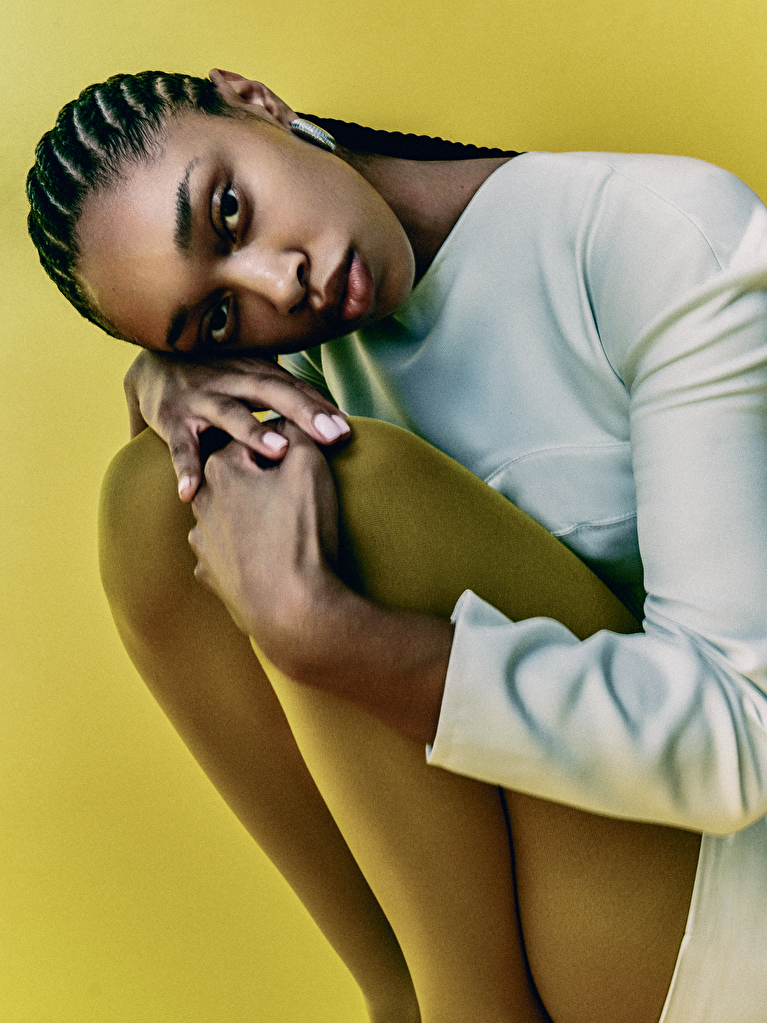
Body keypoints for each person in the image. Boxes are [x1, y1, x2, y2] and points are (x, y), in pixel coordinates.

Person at [26, 68, 767, 1023]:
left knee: (344, 481)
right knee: (151, 501)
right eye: (215, 318)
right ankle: (404, 1000)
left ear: (254, 101)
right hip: (538, 932)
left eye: (229, 213)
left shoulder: (655, 235)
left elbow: (739, 743)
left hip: (724, 880)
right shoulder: (293, 352)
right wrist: (171, 388)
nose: (278, 284)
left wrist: (340, 644)